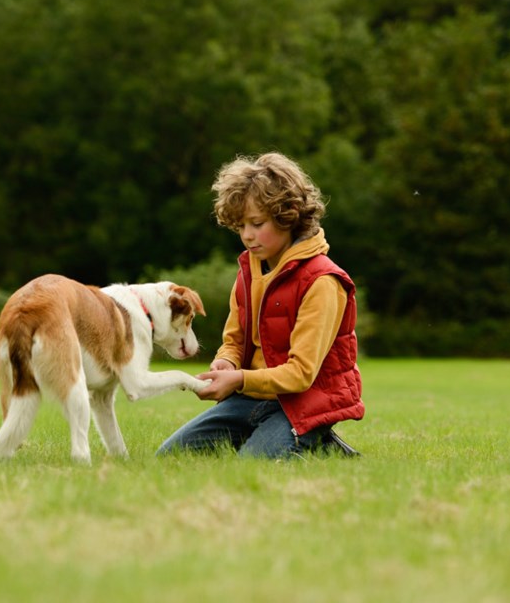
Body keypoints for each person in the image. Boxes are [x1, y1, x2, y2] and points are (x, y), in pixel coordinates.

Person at [156, 152, 364, 459]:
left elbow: (301, 374)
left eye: (256, 223)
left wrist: (238, 379)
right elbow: (234, 340)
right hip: (251, 397)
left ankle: (320, 443)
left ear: (288, 215)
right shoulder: (249, 270)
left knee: (252, 463)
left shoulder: (323, 281)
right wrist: (226, 363)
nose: (247, 236)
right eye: (241, 226)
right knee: (172, 456)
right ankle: (274, 436)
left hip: (304, 401)